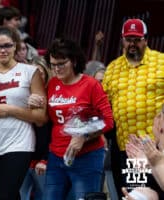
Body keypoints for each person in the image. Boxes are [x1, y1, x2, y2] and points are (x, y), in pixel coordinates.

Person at [0, 26, 48, 200]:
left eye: (7, 45)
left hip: (21, 143)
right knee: (10, 194)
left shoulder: (30, 72)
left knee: (3, 195)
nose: (3, 50)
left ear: (16, 46)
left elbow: (40, 118)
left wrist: (11, 110)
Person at [45, 38, 114, 200]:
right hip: (56, 155)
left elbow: (109, 121)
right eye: (53, 64)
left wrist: (84, 136)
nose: (56, 69)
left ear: (74, 61)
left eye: (61, 63)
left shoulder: (91, 84)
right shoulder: (52, 83)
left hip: (87, 156)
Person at [102, 18, 164, 198]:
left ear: (146, 39)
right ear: (122, 39)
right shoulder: (113, 69)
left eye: (137, 39)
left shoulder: (161, 62)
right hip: (129, 149)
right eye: (128, 39)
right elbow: (105, 105)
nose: (132, 44)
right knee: (139, 193)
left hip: (158, 147)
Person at [19, 56, 51, 200]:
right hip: (22, 158)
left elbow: (49, 130)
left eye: (40, 73)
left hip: (44, 160)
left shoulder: (53, 96)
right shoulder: (20, 96)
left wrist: (46, 159)